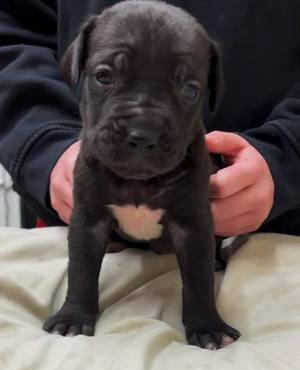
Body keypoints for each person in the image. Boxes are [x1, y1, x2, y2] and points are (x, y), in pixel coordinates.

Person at [0, 0, 299, 236]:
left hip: (271, 231)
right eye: (106, 76)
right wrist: (45, 142)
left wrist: (286, 154)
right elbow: (10, 29)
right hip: (79, 220)